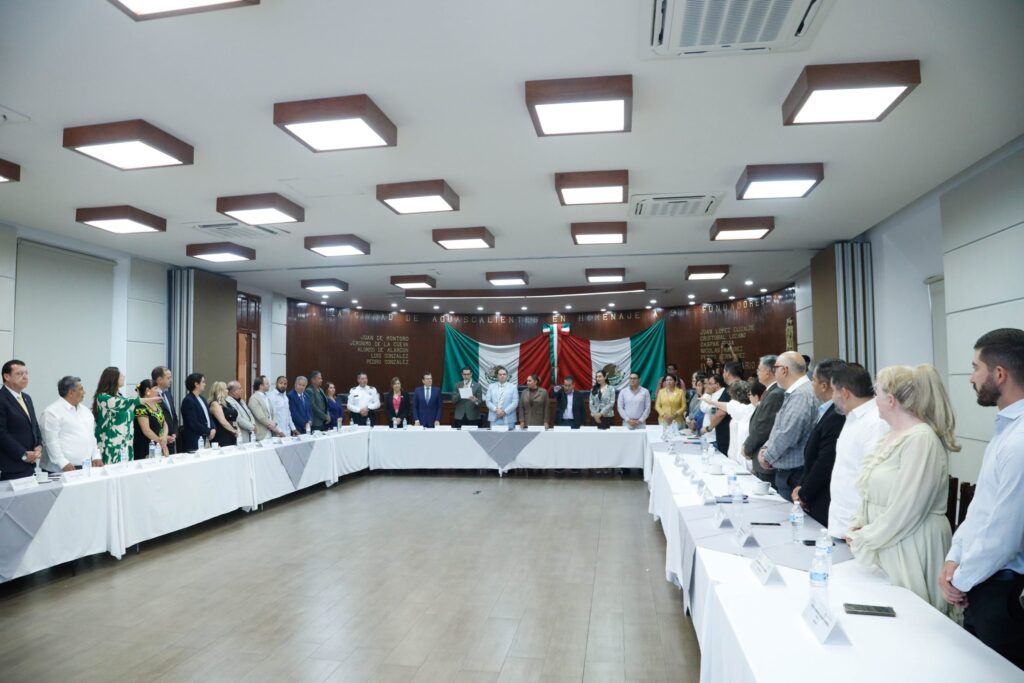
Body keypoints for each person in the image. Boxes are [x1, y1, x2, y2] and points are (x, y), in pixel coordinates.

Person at [939, 329, 1024, 668]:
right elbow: (981, 509)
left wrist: (959, 580)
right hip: (982, 579)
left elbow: (1004, 534)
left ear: (999, 374)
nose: (971, 378)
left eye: (976, 368)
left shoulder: (1020, 439)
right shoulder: (1007, 429)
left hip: (1003, 588)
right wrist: (953, 558)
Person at [846, 364, 958, 613]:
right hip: (887, 540)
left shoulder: (921, 439)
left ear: (891, 400)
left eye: (877, 393)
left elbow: (908, 508)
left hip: (910, 542)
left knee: (914, 618)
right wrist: (859, 523)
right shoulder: (891, 435)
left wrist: (866, 537)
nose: (874, 400)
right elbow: (870, 490)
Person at [828, 362, 889, 539]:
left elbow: (874, 479)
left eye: (833, 391)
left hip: (858, 527)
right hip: (841, 521)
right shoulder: (853, 417)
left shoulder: (876, 422)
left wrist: (862, 526)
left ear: (844, 393)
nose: (832, 397)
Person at [792, 359, 847, 527]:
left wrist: (805, 492)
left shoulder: (837, 415)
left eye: (813, 380)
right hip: (813, 491)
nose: (811, 384)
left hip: (824, 497)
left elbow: (825, 461)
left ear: (824, 386)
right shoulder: (827, 410)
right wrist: (802, 486)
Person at [757, 352, 819, 501]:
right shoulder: (798, 392)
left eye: (775, 368)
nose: (774, 372)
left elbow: (787, 433)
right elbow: (779, 427)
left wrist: (767, 457)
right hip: (791, 472)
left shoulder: (801, 395)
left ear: (784, 370)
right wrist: (766, 447)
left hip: (794, 474)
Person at [93, 366, 159, 463]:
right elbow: (123, 403)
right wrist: (147, 399)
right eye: (121, 375)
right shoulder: (103, 397)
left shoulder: (120, 397)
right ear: (113, 379)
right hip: (110, 446)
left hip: (125, 446)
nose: (124, 377)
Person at [41, 375, 99, 472]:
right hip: (60, 468)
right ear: (71, 392)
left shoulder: (86, 411)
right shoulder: (52, 412)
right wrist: (62, 463)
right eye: (81, 389)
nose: (84, 392)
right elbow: (51, 442)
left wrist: (96, 455)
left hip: (85, 466)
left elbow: (91, 437)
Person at [743, 355, 785, 483]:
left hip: (765, 459)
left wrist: (747, 448)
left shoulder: (776, 394)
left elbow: (763, 428)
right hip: (759, 459)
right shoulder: (770, 391)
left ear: (768, 372)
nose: (757, 372)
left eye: (759, 369)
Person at [0, 359, 42, 480]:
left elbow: (34, 426)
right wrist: (23, 454)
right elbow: (1, 433)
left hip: (29, 465)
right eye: (19, 374)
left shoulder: (27, 398)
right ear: (7, 376)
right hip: (10, 466)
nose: (25, 377)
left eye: (26, 373)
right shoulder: (2, 398)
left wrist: (39, 446)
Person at [702, 380, 755, 464]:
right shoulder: (741, 408)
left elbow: (727, 407)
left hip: (740, 458)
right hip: (734, 455)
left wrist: (711, 402)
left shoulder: (744, 409)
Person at [133, 379, 168, 459]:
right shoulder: (140, 407)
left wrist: (164, 437)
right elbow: (146, 430)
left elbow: (164, 423)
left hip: (159, 445)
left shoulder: (157, 405)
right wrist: (160, 441)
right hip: (145, 447)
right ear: (147, 391)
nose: (158, 390)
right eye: (156, 388)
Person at [180, 372, 215, 452]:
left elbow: (209, 417)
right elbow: (193, 423)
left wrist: (213, 428)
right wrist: (208, 431)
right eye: (203, 382)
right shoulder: (188, 400)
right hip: (194, 439)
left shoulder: (202, 399)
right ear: (196, 384)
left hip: (206, 437)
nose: (205, 384)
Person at [699, 373, 731, 454]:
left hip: (714, 435)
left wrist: (706, 394)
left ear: (717, 385)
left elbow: (707, 409)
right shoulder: (714, 394)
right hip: (710, 435)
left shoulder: (720, 395)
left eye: (710, 384)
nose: (707, 386)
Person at [152, 366, 178, 453]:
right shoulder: (152, 397)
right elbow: (153, 420)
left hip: (171, 439)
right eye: (168, 378)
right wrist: (164, 436)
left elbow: (173, 416)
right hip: (159, 440)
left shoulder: (168, 395)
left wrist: (174, 433)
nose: (171, 380)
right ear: (159, 380)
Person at [249, 375, 283, 440]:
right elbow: (260, 417)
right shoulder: (254, 398)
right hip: (262, 434)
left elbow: (273, 413)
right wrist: (274, 428)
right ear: (261, 386)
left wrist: (274, 423)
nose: (269, 385)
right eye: (267, 383)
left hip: (271, 432)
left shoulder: (267, 397)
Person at [485, 366, 518, 430]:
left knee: (509, 436)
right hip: (494, 417)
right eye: (500, 374)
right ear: (497, 376)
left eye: (504, 374)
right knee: (493, 436)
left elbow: (515, 403)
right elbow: (488, 401)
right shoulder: (491, 387)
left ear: (507, 376)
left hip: (509, 418)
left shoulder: (513, 387)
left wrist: (504, 412)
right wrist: (496, 410)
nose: (502, 376)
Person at [208, 381, 239, 447]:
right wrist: (234, 431)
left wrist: (237, 428)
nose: (228, 391)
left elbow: (233, 419)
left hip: (231, 435)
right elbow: (223, 421)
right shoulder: (215, 404)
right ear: (220, 391)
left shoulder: (227, 403)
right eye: (226, 389)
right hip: (222, 435)